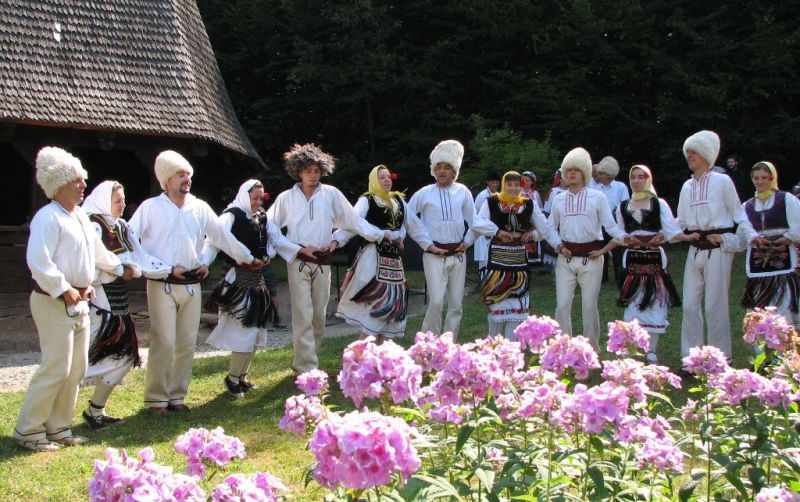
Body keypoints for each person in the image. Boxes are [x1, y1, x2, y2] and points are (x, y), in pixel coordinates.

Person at [129, 151, 258, 414]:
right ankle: (156, 399)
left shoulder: (198, 207)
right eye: (180, 174)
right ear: (166, 180)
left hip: (191, 284)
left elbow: (221, 237)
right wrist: (161, 269)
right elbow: (129, 241)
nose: (186, 178)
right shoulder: (150, 208)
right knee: (163, 340)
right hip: (162, 282)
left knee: (187, 342)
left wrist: (243, 258)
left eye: (187, 173)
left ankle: (176, 396)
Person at [15, 147, 122, 451]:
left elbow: (96, 255)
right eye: (76, 180)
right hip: (53, 301)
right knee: (56, 367)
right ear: (59, 183)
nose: (83, 185)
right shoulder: (48, 218)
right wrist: (64, 288)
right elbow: (38, 261)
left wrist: (120, 268)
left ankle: (59, 427)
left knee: (76, 369)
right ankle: (29, 430)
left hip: (80, 301)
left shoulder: (82, 219)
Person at [267, 144, 385, 373]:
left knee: (319, 316)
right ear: (298, 171)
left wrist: (375, 236)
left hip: (322, 262)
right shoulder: (286, 198)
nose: (313, 175)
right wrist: (296, 249)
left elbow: (352, 222)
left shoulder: (331, 194)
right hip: (298, 261)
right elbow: (270, 227)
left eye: (317, 171)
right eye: (308, 171)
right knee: (302, 313)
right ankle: (306, 367)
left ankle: (309, 357)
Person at [81, 181, 171, 428]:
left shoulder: (121, 226)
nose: (122, 205)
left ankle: (95, 411)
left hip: (119, 301)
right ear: (104, 200)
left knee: (124, 355)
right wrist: (120, 270)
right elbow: (92, 263)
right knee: (91, 356)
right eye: (117, 201)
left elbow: (139, 256)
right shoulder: (92, 225)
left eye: (123, 200)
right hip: (100, 300)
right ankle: (65, 412)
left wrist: (165, 270)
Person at [203, 180, 305, 397]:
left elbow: (275, 239)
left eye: (261, 198)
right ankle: (231, 378)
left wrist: (271, 254)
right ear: (244, 195)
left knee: (256, 329)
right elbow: (216, 238)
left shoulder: (262, 217)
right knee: (244, 330)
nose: (258, 202)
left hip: (257, 280)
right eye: (254, 198)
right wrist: (205, 262)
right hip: (238, 279)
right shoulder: (232, 215)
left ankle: (242, 376)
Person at [676, 130, 759, 362]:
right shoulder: (686, 186)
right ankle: (691, 358)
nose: (689, 155)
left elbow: (738, 214)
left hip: (718, 250)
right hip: (694, 249)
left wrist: (750, 238)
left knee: (715, 305)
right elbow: (680, 221)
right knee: (690, 306)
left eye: (694, 151)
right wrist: (661, 233)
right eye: (688, 152)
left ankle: (720, 359)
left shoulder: (722, 181)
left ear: (706, 154)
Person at [596, 165, 689, 363]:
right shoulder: (623, 206)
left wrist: (665, 236)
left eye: (641, 177)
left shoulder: (659, 204)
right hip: (632, 258)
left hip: (654, 257)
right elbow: (617, 231)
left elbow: (671, 229)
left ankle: (651, 350)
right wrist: (626, 238)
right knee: (633, 300)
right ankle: (631, 347)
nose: (637, 181)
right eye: (633, 178)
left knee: (655, 300)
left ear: (648, 179)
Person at [333, 165, 430, 341]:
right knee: (375, 304)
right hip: (372, 258)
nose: (387, 180)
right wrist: (336, 240)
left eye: (388, 177)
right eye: (382, 177)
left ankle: (385, 357)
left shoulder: (399, 202)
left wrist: (429, 245)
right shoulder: (368, 200)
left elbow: (415, 226)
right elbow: (353, 222)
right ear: (374, 181)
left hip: (394, 261)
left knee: (392, 306)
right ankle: (362, 355)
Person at [546, 147, 627, 350]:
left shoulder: (597, 197)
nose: (572, 173)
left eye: (577, 170)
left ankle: (591, 350)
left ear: (585, 173)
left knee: (589, 306)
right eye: (569, 170)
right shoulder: (559, 199)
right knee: (562, 305)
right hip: (565, 259)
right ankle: (563, 348)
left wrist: (625, 241)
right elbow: (549, 227)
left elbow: (611, 227)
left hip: (591, 259)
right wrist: (558, 245)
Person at [407, 140, 478, 339]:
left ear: (454, 170)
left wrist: (468, 241)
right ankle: (428, 343)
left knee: (456, 303)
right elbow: (409, 219)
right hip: (433, 255)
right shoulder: (424, 193)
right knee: (436, 300)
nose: (442, 171)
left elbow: (474, 220)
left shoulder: (462, 191)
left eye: (447, 167)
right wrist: (427, 244)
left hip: (458, 254)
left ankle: (449, 344)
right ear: (433, 170)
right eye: (438, 167)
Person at [473, 171, 552, 338]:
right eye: (509, 184)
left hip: (518, 263)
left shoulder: (529, 204)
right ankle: (493, 346)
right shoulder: (492, 202)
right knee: (496, 308)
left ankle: (512, 349)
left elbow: (545, 228)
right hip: (496, 262)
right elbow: (477, 223)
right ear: (503, 185)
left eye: (517, 184)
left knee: (517, 311)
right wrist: (498, 232)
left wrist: (532, 236)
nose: (513, 188)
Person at [740, 162, 800, 327]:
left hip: (783, 263)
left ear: (772, 178)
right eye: (756, 178)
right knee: (758, 308)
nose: (760, 182)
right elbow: (742, 234)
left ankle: (783, 343)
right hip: (758, 266)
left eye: (764, 178)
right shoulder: (747, 206)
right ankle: (761, 344)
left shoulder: (786, 199)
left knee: (783, 303)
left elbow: (798, 224)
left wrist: (788, 238)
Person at [590, 156, 630, 285]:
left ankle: (620, 276)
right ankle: (602, 277)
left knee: (618, 251)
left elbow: (624, 205)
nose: (598, 176)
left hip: (616, 224)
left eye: (601, 173)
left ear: (608, 174)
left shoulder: (620, 187)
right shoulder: (595, 189)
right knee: (601, 252)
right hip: (599, 224)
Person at [473, 171, 500, 279]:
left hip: (496, 230)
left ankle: (494, 281)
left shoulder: (498, 196)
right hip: (483, 231)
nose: (495, 185)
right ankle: (483, 281)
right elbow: (477, 215)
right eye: (493, 182)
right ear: (488, 183)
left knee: (494, 257)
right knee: (484, 259)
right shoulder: (482, 196)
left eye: (497, 183)